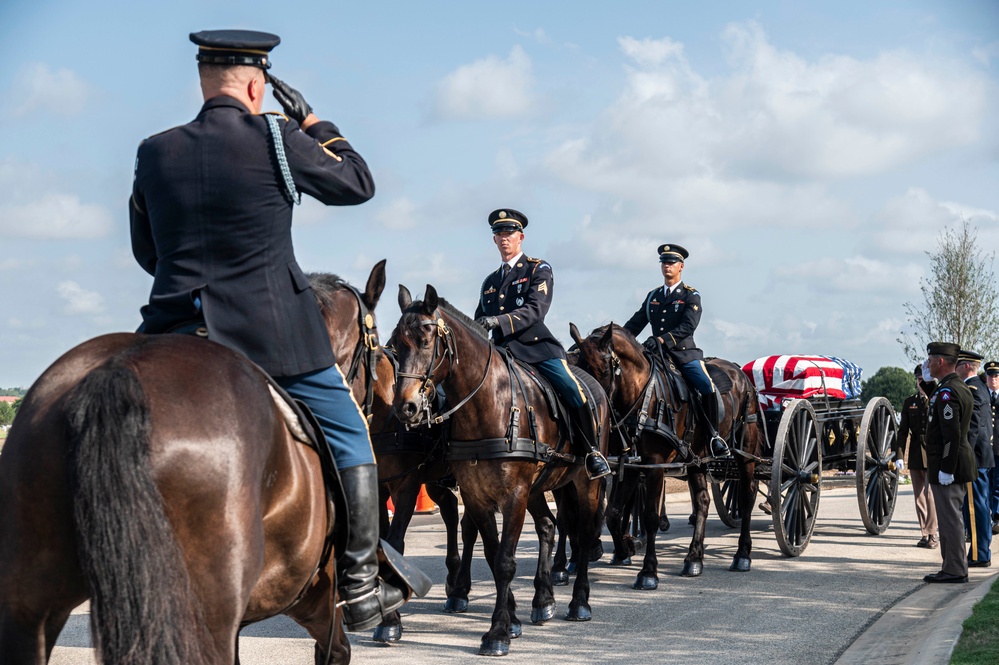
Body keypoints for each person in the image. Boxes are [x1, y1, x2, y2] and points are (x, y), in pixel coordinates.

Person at [129, 29, 406, 631]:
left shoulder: (154, 149)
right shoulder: (279, 138)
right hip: (273, 336)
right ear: (258, 85)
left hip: (174, 331)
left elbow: (147, 252)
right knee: (351, 434)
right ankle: (360, 584)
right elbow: (358, 183)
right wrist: (314, 123)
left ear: (204, 82)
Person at [473, 209, 610, 479]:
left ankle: (592, 451)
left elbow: (536, 310)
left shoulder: (538, 269)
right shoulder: (490, 282)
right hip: (501, 354)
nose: (504, 238)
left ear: (521, 237)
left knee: (572, 389)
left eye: (509, 233)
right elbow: (479, 319)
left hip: (536, 350)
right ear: (494, 240)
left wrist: (497, 322)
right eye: (499, 234)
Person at [623, 244, 729, 458]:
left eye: (671, 262)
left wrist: (662, 339)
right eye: (663, 262)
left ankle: (713, 436)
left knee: (705, 385)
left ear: (681, 266)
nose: (666, 266)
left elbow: (688, 326)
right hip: (655, 355)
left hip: (683, 354)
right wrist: (616, 340)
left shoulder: (691, 295)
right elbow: (635, 324)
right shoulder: (653, 295)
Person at [923, 342, 976, 583]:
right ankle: (952, 566)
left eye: (931, 359)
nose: (928, 364)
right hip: (953, 463)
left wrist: (946, 468)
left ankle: (955, 569)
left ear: (941, 361)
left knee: (950, 519)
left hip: (949, 466)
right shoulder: (953, 387)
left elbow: (951, 435)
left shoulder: (948, 392)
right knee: (949, 518)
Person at [957, 349, 993, 567]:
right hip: (982, 456)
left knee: (974, 506)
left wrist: (964, 454)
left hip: (975, 457)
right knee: (980, 504)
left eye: (959, 364)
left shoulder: (972, 388)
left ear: (966, 366)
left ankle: (979, 554)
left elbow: (972, 427)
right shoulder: (981, 387)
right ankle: (982, 551)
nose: (956, 368)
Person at [896, 363, 938, 548]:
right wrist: (898, 455)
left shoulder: (937, 399)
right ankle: (924, 532)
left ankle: (933, 533)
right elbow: (903, 431)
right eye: (918, 380)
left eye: (924, 380)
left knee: (930, 494)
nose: (921, 383)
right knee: (919, 495)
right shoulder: (910, 402)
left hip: (933, 450)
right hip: (915, 452)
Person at [985, 360, 999, 534]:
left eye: (996, 376)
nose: (993, 379)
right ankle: (988, 514)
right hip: (985, 448)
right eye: (990, 376)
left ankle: (996, 515)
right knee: (986, 483)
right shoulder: (981, 395)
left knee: (998, 484)